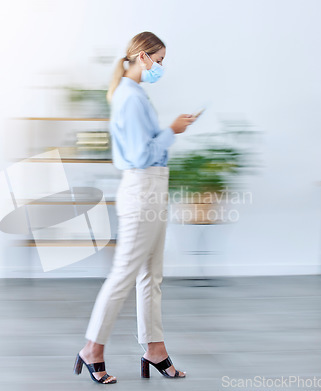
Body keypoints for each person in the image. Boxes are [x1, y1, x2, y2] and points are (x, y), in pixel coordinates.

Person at [73, 31, 196, 384]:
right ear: (142, 57)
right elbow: (142, 154)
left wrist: (170, 132)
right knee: (125, 273)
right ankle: (92, 348)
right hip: (142, 190)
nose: (160, 67)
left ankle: (154, 349)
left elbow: (147, 148)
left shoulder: (134, 94)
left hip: (152, 188)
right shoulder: (129, 97)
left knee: (150, 276)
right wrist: (172, 130)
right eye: (158, 60)